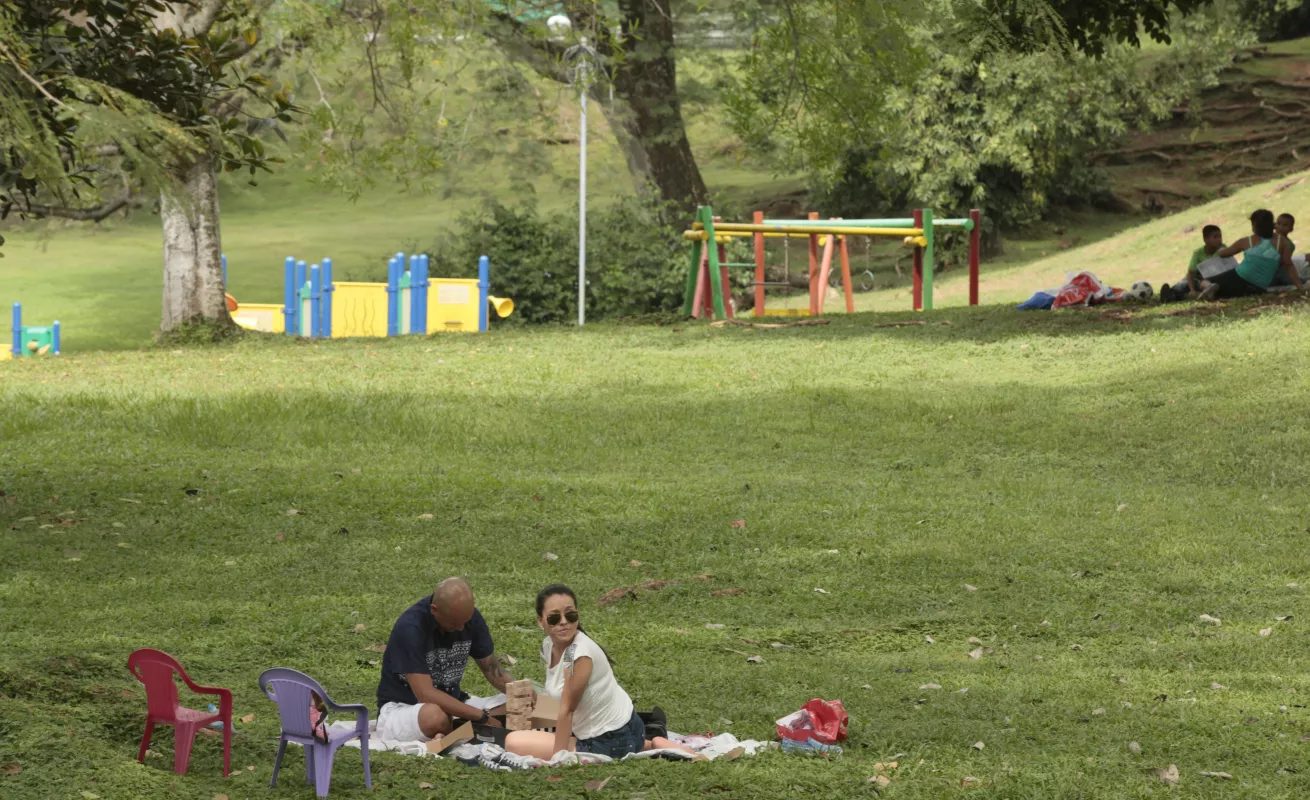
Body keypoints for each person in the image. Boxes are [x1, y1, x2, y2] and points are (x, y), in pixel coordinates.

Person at [505, 585, 693, 760]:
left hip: (607, 739)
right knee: (523, 716)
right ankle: (650, 745)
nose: (563, 622)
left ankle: (638, 745)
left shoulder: (579, 654)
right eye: (554, 618)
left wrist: (559, 760)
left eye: (570, 615)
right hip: (628, 728)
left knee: (512, 742)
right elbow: (564, 696)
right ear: (541, 622)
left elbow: (567, 710)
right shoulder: (550, 646)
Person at [375, 577, 516, 741]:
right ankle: (463, 729)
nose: (461, 628)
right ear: (434, 610)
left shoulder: (469, 618)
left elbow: (491, 668)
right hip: (406, 709)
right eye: (454, 623)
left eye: (466, 621)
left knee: (516, 705)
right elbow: (425, 695)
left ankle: (457, 730)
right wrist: (482, 717)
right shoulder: (410, 627)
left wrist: (521, 693)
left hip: (453, 704)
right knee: (435, 717)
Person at [1197, 209, 1304, 300]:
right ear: (1273, 224)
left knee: (1203, 281)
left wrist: (1219, 246)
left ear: (1255, 226)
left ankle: (1209, 286)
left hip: (1239, 276)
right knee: (1221, 294)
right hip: (1259, 287)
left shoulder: (1248, 241)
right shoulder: (1282, 242)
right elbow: (1288, 265)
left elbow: (1224, 254)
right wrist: (1299, 285)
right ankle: (1213, 291)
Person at [1160, 225, 1223, 302]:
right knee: (1183, 284)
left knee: (1191, 286)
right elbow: (1191, 273)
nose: (1219, 239)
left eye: (1220, 236)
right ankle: (1170, 294)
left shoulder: (1223, 249)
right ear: (1206, 239)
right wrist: (1192, 289)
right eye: (1215, 237)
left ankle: (1177, 295)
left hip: (1212, 278)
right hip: (1196, 278)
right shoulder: (1198, 253)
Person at [1268, 213, 1300, 288]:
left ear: (1291, 229)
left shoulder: (1289, 245)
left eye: (1285, 225)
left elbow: (1284, 263)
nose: (1280, 227)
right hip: (1266, 271)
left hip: (1278, 271)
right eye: (1278, 223)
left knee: (1299, 281)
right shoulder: (1267, 238)